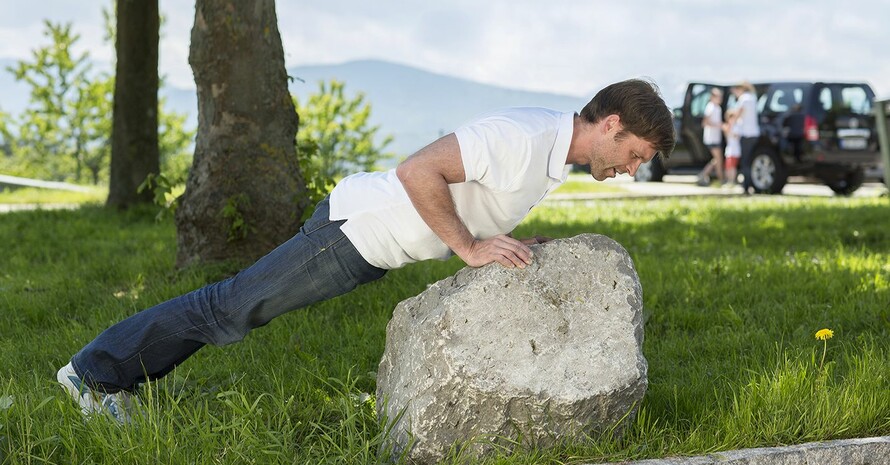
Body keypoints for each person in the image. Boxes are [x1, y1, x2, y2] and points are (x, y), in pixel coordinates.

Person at [56, 79, 676, 423]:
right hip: (352, 232)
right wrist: (465, 247)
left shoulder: (551, 153)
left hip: (368, 249)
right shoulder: (524, 136)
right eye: (635, 155)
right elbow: (417, 171)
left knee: (233, 312)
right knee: (229, 309)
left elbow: (474, 196)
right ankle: (91, 374)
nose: (630, 169)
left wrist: (501, 239)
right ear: (613, 124)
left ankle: (119, 384)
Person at [730, 81, 761, 195]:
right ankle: (751, 184)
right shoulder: (753, 98)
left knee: (745, 162)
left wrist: (731, 126)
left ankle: (746, 186)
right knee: (750, 160)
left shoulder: (743, 99)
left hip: (746, 134)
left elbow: (738, 114)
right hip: (754, 133)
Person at [696, 87, 724, 186]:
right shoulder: (711, 107)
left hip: (716, 137)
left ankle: (704, 175)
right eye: (718, 96)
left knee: (717, 159)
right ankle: (721, 180)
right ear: (712, 97)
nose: (720, 98)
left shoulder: (717, 108)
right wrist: (719, 125)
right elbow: (705, 122)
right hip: (711, 138)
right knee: (718, 159)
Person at [722, 108, 741, 187]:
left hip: (735, 150)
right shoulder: (730, 127)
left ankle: (732, 181)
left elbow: (736, 136)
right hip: (729, 150)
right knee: (728, 166)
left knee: (732, 167)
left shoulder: (737, 126)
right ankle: (729, 181)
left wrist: (729, 130)